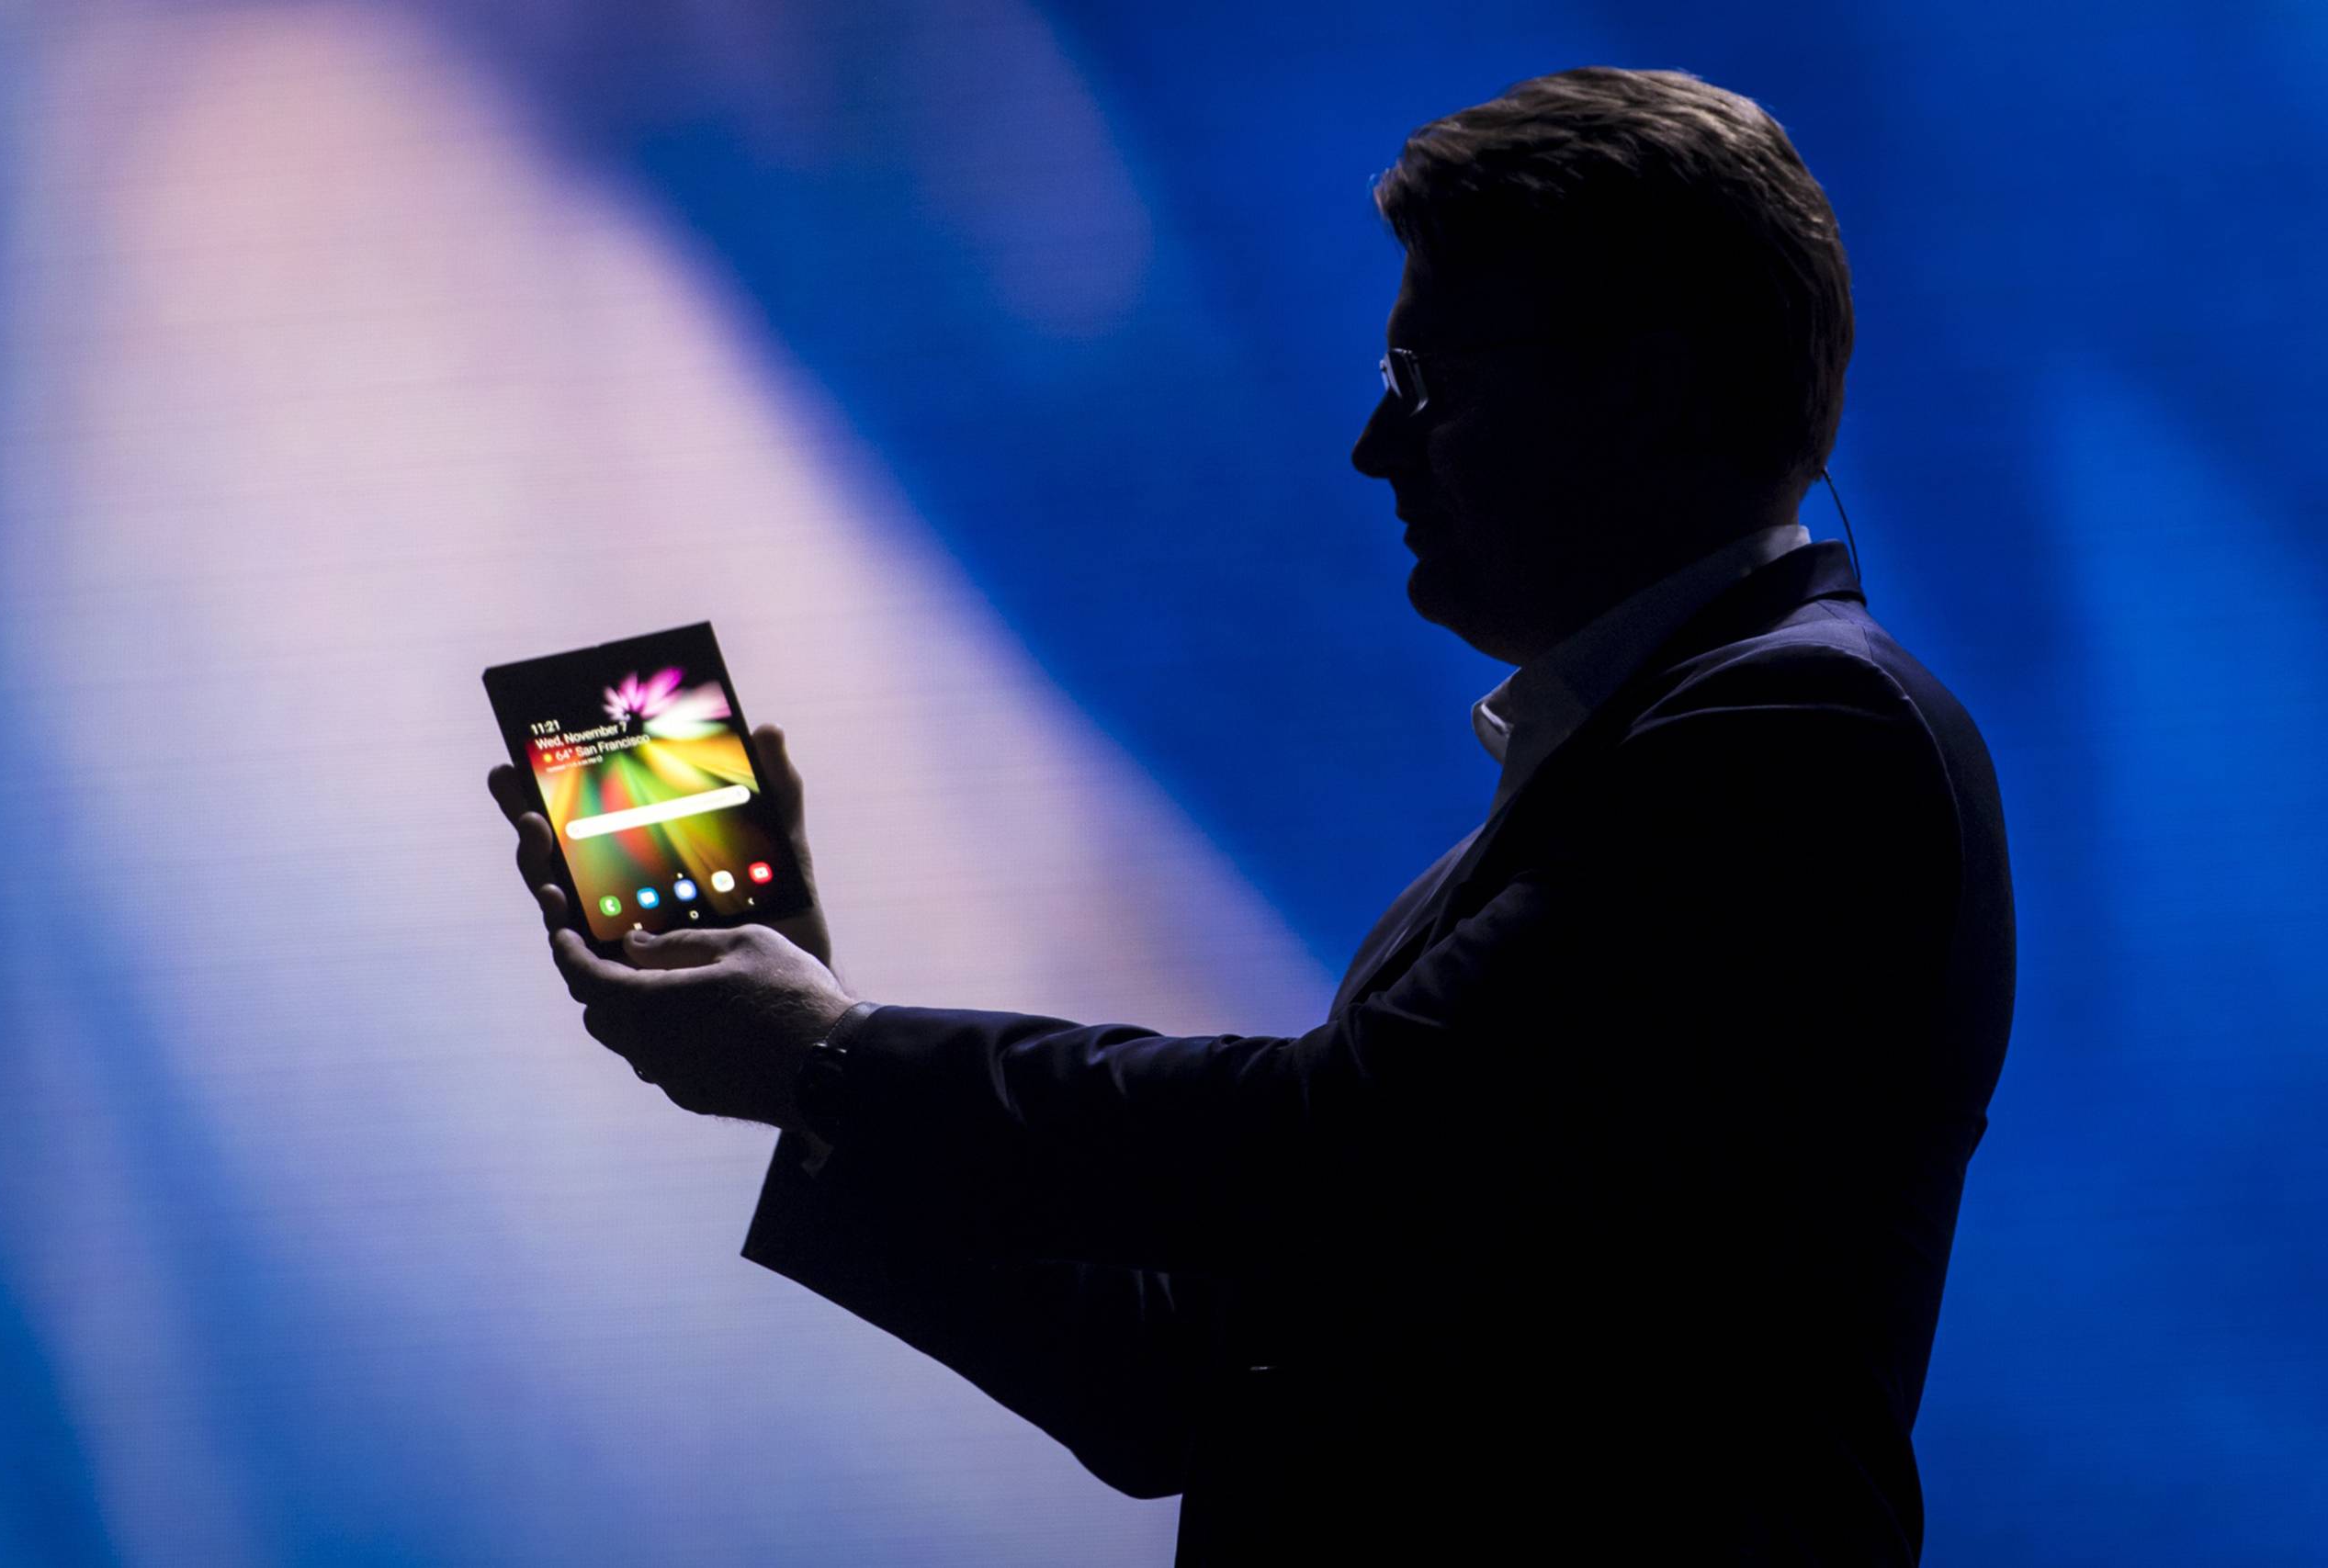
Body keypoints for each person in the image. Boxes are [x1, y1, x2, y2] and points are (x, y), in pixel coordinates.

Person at [488, 66, 2014, 1566]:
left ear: (1645, 388)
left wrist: (834, 1055)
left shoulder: (1808, 729)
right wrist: (803, 1071)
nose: (1375, 449)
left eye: (1429, 386)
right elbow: (1172, 1388)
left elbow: (1339, 1149)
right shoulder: (1619, 794)